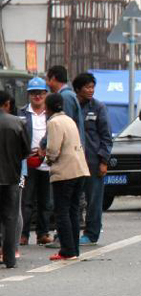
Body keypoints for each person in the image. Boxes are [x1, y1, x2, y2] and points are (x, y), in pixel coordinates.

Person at [44, 92, 89, 261]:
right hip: (80, 169)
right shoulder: (69, 120)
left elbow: (53, 149)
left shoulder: (54, 122)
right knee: (73, 211)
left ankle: (66, 250)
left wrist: (48, 159)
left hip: (65, 172)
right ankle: (74, 249)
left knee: (62, 211)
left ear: (48, 108)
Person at [74, 73, 112, 247]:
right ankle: (70, 231)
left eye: (92, 87)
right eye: (87, 87)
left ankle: (91, 234)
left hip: (93, 162)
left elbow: (106, 136)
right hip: (73, 160)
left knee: (94, 199)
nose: (90, 90)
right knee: (73, 198)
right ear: (77, 89)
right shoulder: (71, 106)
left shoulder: (98, 107)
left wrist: (104, 161)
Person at [19, 77, 52, 247]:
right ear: (29, 95)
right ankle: (23, 235)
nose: (37, 96)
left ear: (46, 94)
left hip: (48, 163)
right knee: (26, 201)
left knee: (46, 202)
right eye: (33, 93)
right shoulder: (22, 114)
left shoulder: (51, 115)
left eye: (40, 93)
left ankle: (43, 233)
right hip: (28, 163)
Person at [0, 90, 29, 268]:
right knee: (11, 217)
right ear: (7, 104)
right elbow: (25, 150)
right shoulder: (17, 123)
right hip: (11, 177)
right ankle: (10, 258)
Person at [45, 65, 84, 144]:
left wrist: (44, 144)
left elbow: (64, 126)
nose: (47, 83)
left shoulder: (65, 97)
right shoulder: (68, 95)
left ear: (53, 78)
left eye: (47, 80)